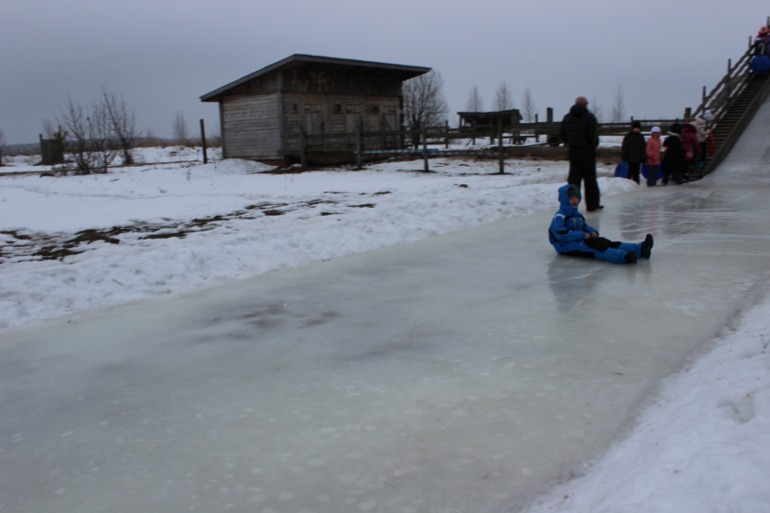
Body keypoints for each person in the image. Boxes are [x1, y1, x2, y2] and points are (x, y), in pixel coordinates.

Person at [548, 184, 653, 265]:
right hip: (564, 246)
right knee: (597, 247)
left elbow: (585, 227)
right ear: (565, 199)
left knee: (605, 242)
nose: (574, 200)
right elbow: (561, 234)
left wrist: (592, 232)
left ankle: (640, 249)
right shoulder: (560, 216)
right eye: (571, 198)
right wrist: (582, 235)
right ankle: (624, 257)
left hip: (580, 240)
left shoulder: (578, 215)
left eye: (576, 197)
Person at [560, 96, 603, 211]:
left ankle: (571, 206)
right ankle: (592, 205)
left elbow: (562, 134)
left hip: (573, 152)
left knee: (574, 180)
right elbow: (593, 136)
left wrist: (570, 143)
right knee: (590, 180)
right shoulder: (589, 117)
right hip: (587, 152)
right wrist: (593, 146)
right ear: (585, 105)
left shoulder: (567, 118)